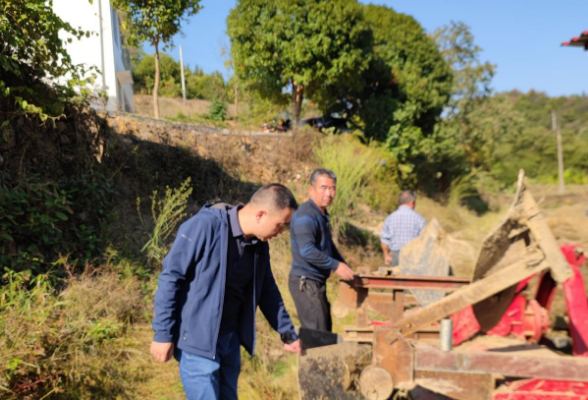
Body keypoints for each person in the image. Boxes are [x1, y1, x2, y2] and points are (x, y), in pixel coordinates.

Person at [150, 184, 301, 400]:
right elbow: (170, 278)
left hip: (229, 342)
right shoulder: (205, 226)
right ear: (260, 214)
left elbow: (267, 290)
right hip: (197, 343)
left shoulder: (259, 245)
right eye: (280, 225)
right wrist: (163, 333)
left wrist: (287, 332)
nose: (280, 232)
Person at [288, 168, 355, 332]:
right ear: (311, 189)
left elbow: (328, 245)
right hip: (305, 282)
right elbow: (307, 251)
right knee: (317, 336)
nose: (329, 193)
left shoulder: (321, 213)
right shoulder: (306, 216)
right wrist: (336, 266)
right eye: (323, 188)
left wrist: (343, 265)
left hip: (316, 282)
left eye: (332, 188)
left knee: (324, 331)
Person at [380, 190, 426, 267]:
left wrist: (386, 255)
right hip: (413, 255)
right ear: (412, 202)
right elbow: (424, 239)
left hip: (395, 255)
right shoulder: (419, 219)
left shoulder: (390, 218)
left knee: (397, 278)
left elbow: (385, 239)